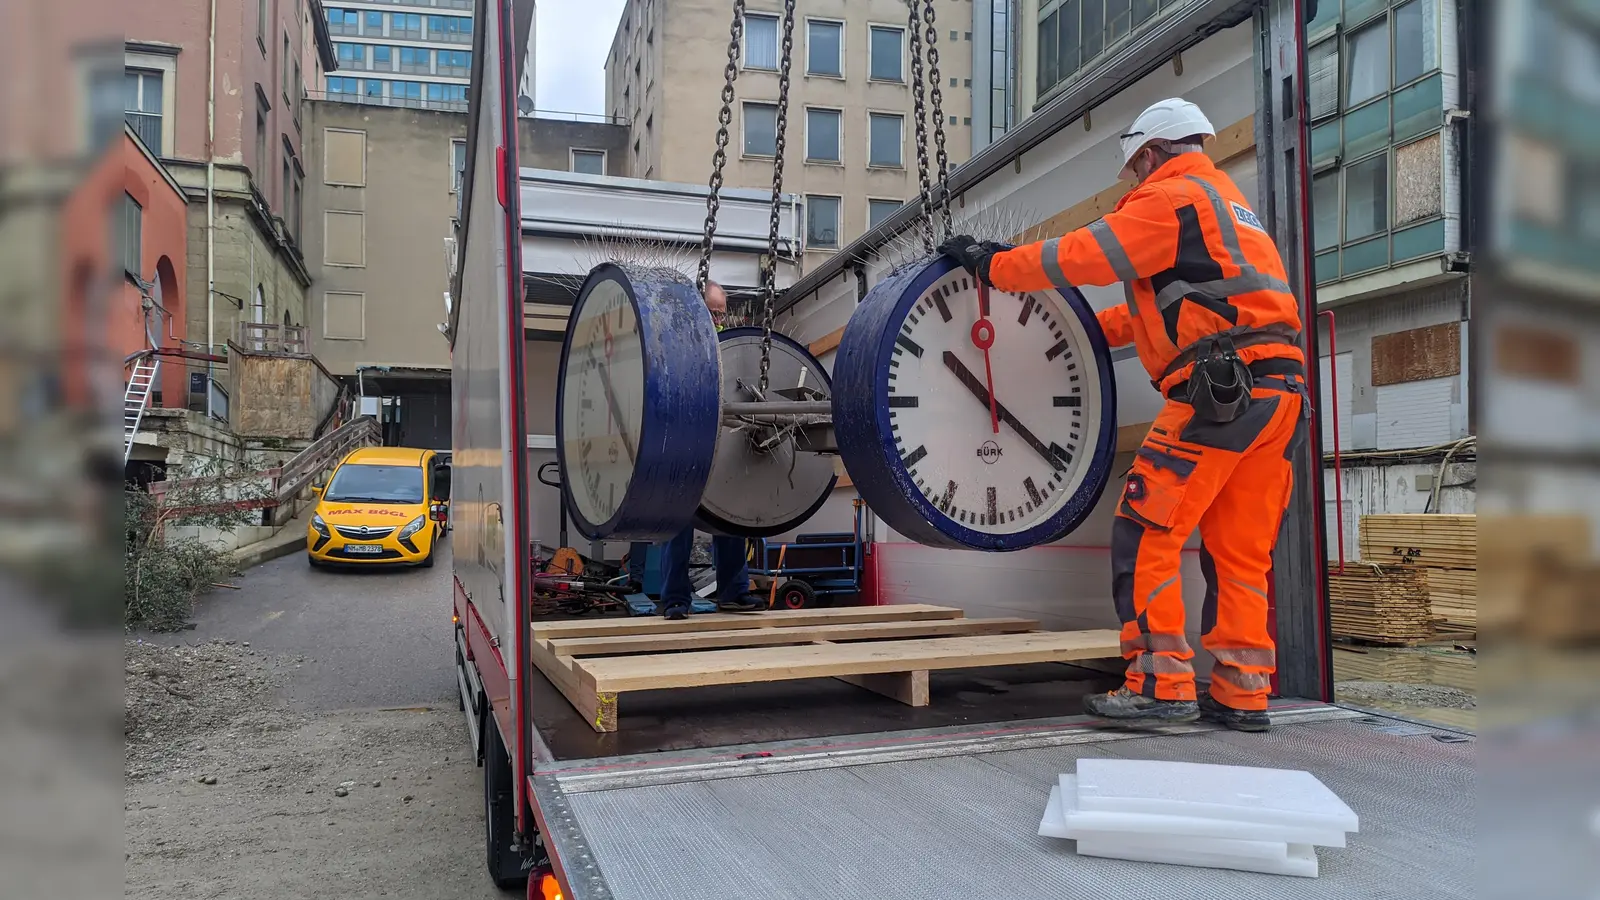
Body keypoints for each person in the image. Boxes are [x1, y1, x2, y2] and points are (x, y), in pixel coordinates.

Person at [938, 98, 1309, 733]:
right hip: (1277, 394)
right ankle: (1242, 695)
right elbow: (1152, 318)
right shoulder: (1230, 207)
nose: (1133, 180)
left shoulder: (1169, 199)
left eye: (1134, 166)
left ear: (1150, 153)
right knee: (1240, 552)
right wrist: (1072, 335)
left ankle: (1161, 685)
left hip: (1218, 391)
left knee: (1145, 529)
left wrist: (994, 267)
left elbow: (1080, 256)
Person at [655, 280, 766, 620]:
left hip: (722, 446)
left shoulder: (726, 348)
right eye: (712, 312)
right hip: (684, 447)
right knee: (678, 525)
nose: (719, 320)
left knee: (731, 519)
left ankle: (734, 592)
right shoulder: (676, 344)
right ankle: (675, 599)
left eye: (722, 313)